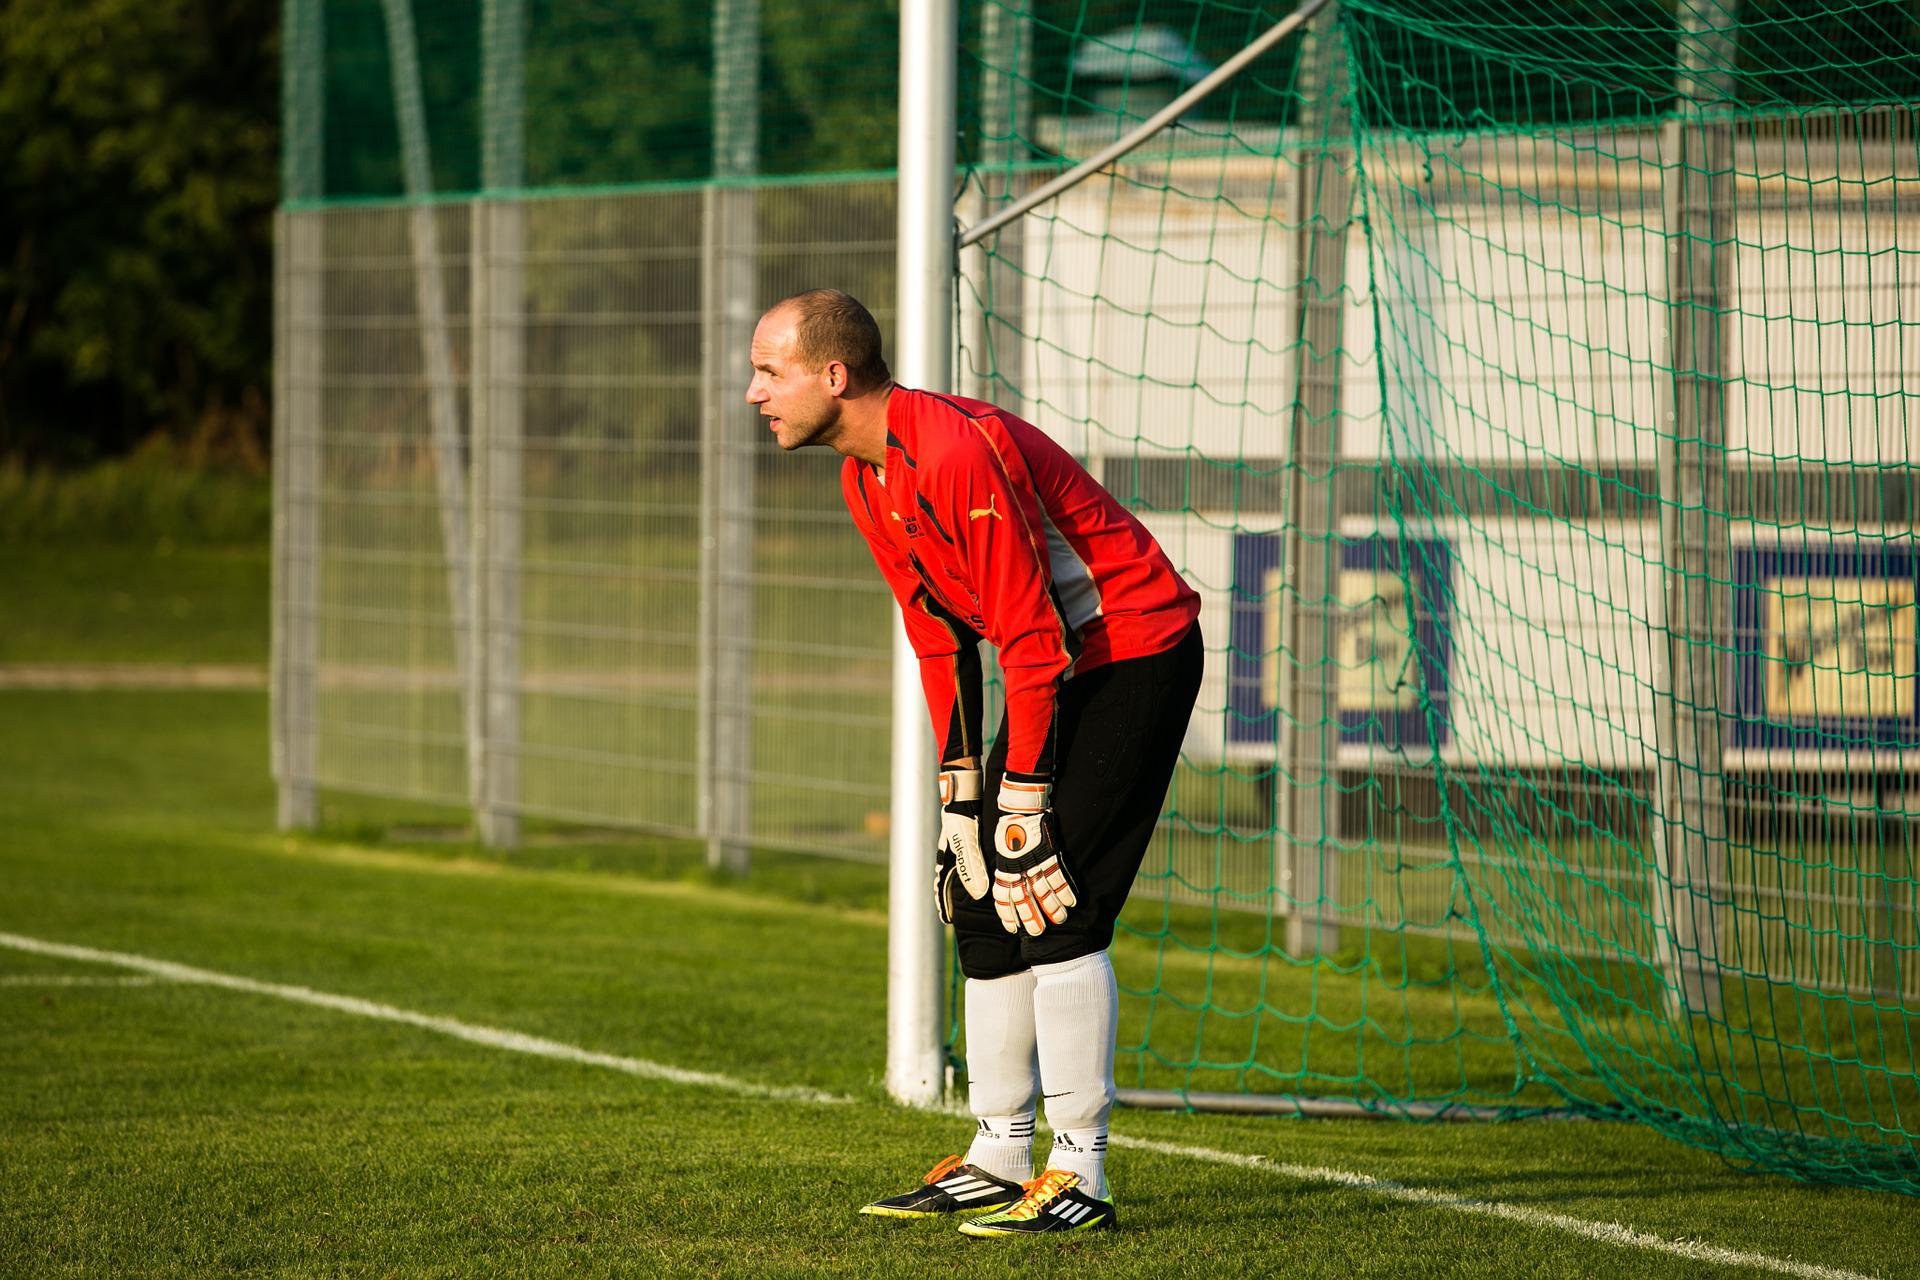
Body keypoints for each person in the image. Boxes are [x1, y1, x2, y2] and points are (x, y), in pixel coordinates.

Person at [747, 288, 1202, 1237]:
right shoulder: (865, 476)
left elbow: (1031, 639)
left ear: (833, 376)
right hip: (1059, 665)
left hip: (1132, 651)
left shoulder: (954, 447)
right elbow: (942, 639)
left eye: (769, 370)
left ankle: (1082, 1173)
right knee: (978, 897)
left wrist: (1025, 802)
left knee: (1052, 892)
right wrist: (963, 802)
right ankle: (999, 1155)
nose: (755, 392)